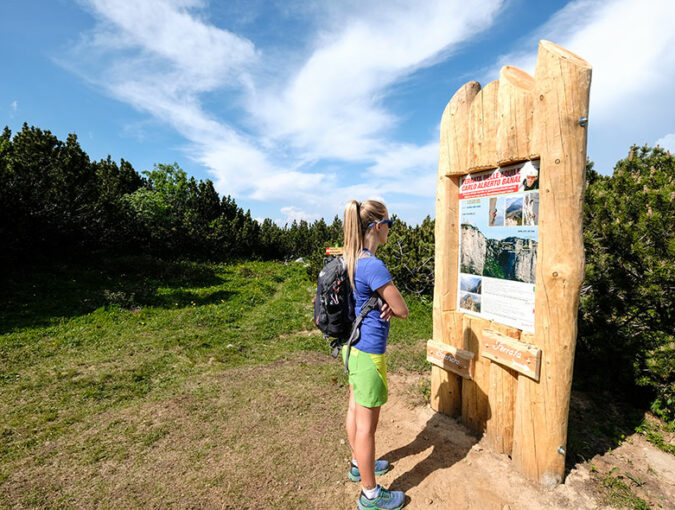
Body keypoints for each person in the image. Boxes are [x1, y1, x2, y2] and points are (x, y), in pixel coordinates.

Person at [342, 199, 409, 510]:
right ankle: (370, 495)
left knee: (355, 410)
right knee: (367, 426)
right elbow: (403, 310)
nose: (390, 230)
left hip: (352, 348)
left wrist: (379, 302)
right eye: (389, 224)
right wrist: (388, 305)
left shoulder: (353, 258)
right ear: (377, 226)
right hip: (370, 352)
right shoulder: (374, 265)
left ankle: (358, 464)